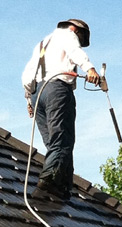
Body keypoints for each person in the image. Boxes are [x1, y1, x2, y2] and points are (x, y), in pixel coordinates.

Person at [22, 19, 100, 199]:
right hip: (56, 90)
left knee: (52, 143)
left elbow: (28, 73)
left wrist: (28, 99)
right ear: (75, 30)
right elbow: (75, 51)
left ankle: (64, 186)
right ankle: (48, 185)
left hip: (36, 93)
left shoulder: (43, 43)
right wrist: (90, 69)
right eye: (80, 38)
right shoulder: (67, 35)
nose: (78, 41)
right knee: (61, 141)